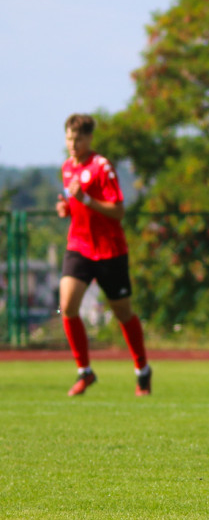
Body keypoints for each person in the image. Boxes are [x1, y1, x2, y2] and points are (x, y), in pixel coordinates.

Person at [56, 113, 151, 397]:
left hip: (110, 250)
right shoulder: (66, 168)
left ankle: (142, 370)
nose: (73, 144)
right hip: (79, 246)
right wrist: (68, 210)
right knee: (67, 305)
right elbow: (77, 207)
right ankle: (85, 371)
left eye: (79, 139)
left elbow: (118, 211)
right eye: (69, 138)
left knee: (123, 312)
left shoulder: (102, 167)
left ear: (89, 138)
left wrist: (85, 199)